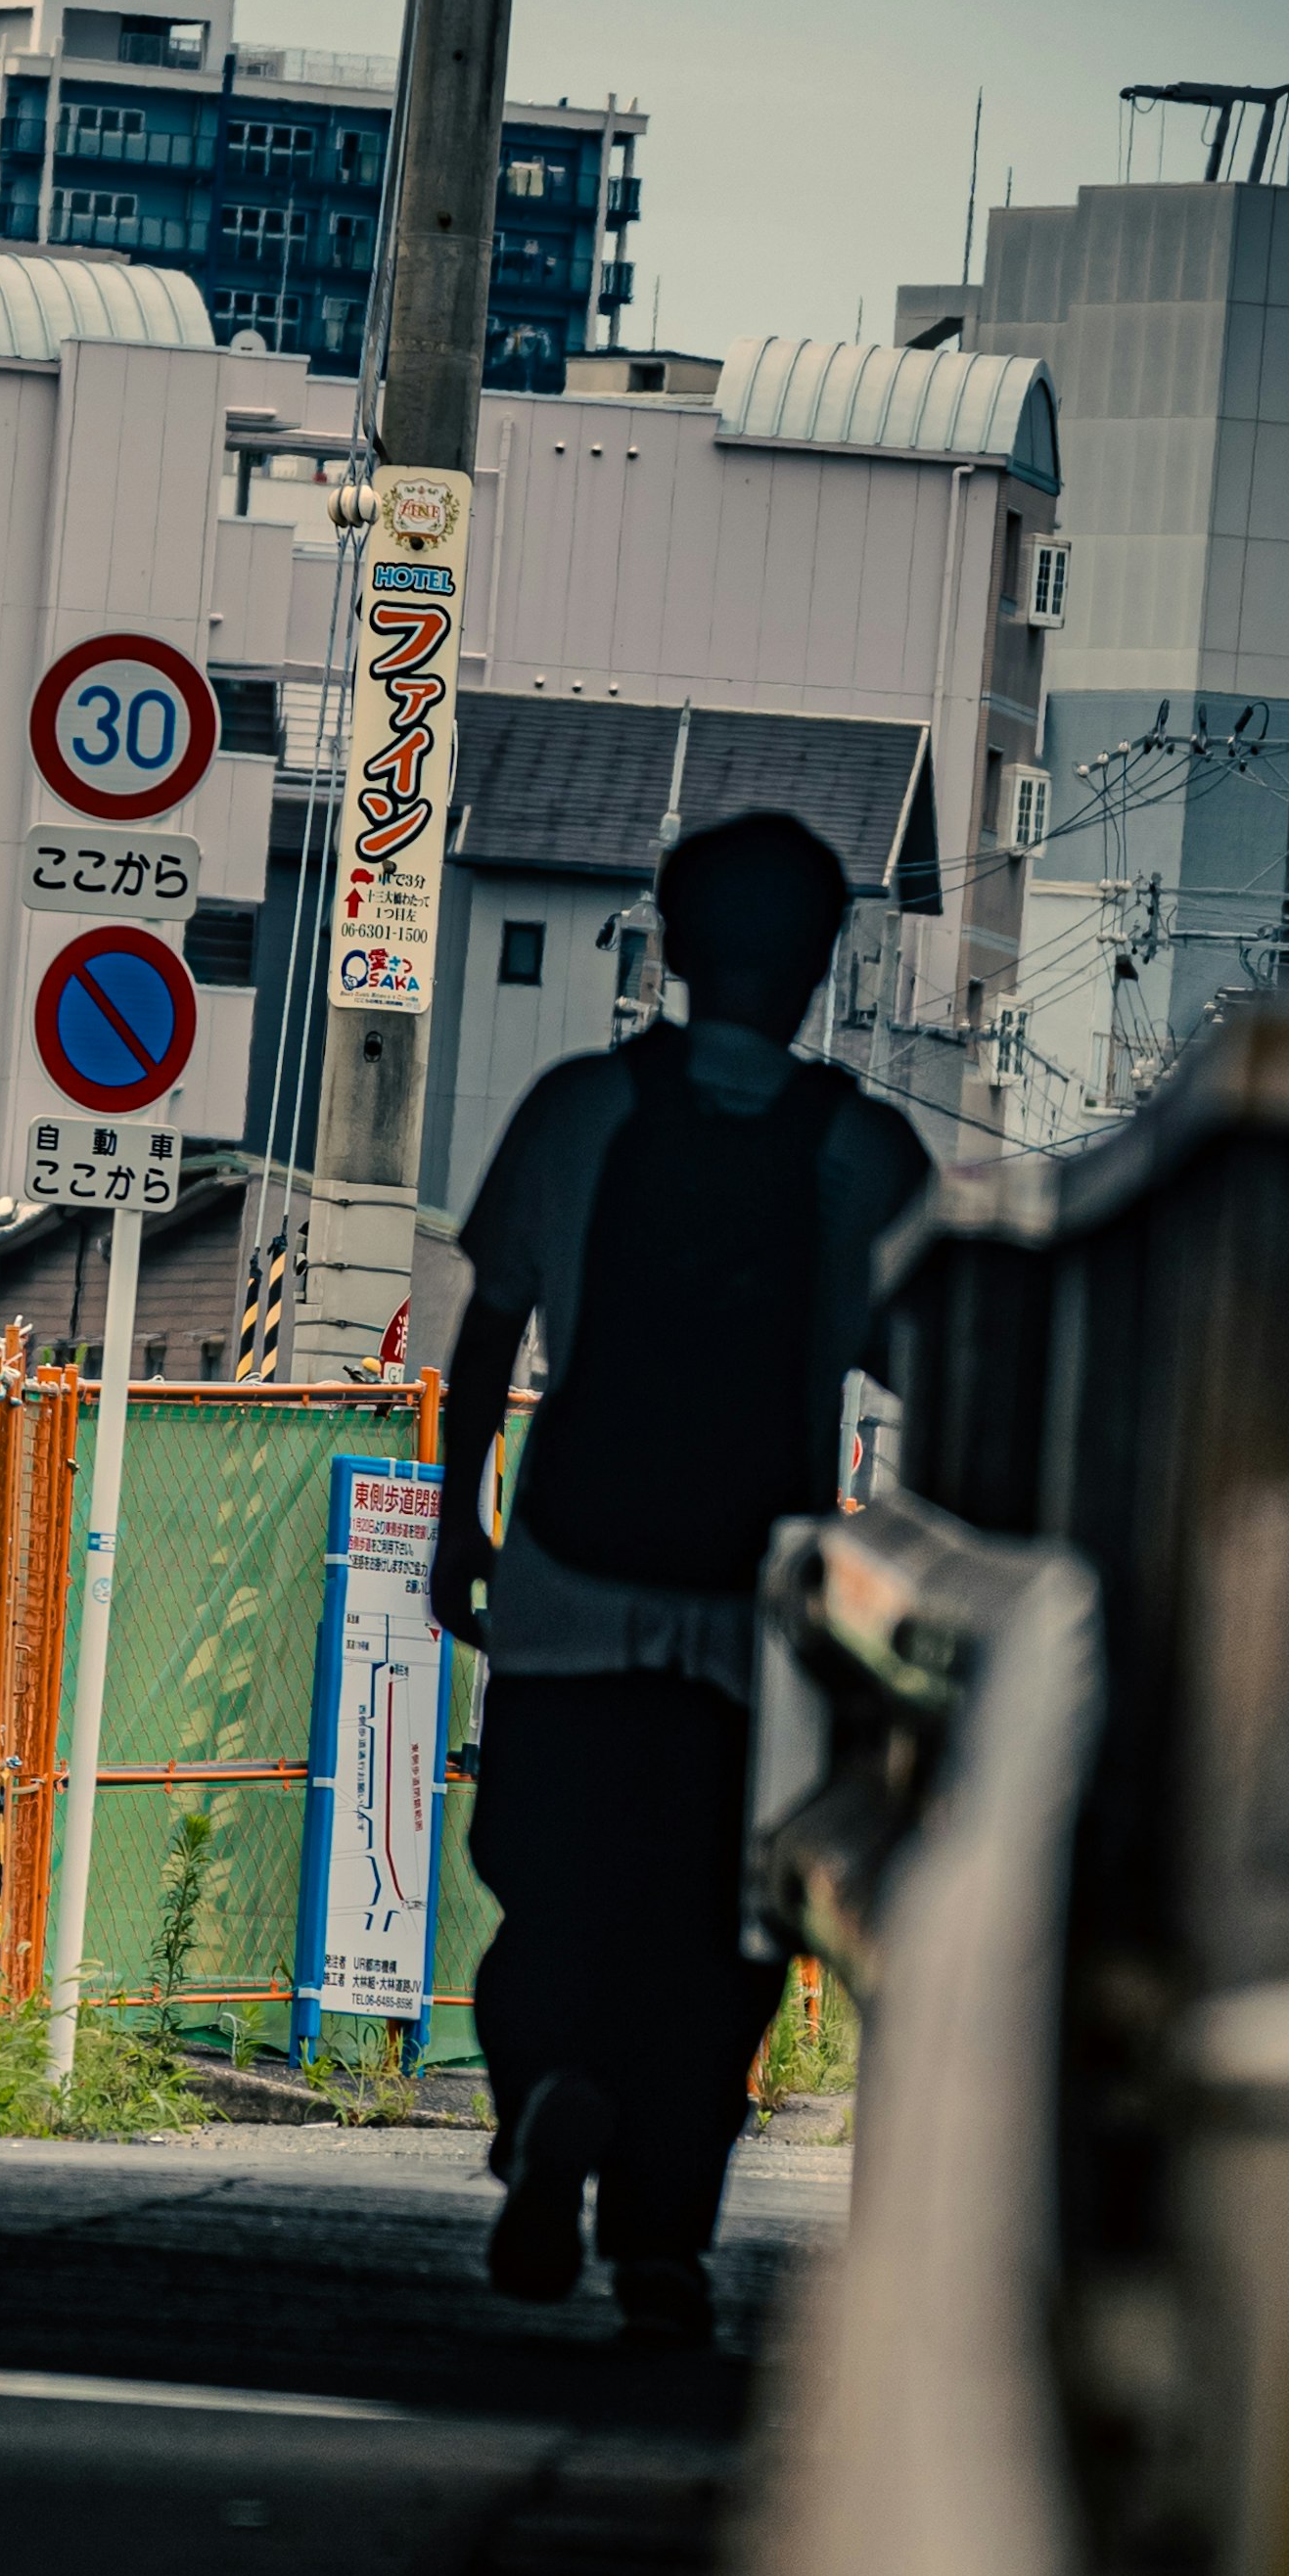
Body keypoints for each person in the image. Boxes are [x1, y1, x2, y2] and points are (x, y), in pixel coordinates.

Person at [430, 812, 927, 2343]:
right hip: (751, 1619)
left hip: (570, 1581)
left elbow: (490, 1324)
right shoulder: (865, 1153)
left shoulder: (580, 1108)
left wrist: (463, 1521)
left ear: (674, 940)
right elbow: (933, 1369)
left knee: (549, 1895)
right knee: (719, 1935)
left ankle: (549, 2101)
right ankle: (660, 2241)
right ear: (824, 961)